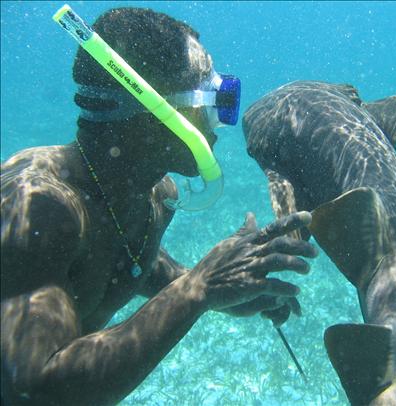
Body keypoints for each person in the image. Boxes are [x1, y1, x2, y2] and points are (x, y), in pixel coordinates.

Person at [0, 7, 317, 406]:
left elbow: (130, 267)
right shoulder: (41, 211)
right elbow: (34, 388)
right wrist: (198, 287)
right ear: (154, 114)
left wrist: (232, 292)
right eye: (214, 100)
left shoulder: (152, 197)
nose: (221, 122)